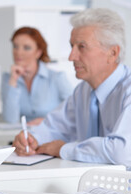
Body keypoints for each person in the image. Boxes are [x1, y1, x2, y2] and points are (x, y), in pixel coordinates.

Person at [13, 8, 131, 167]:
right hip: (90, 184)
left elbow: (121, 152)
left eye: (81, 47)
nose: (71, 57)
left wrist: (63, 149)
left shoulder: (127, 90)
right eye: (72, 46)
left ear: (112, 53)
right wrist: (32, 138)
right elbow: (54, 127)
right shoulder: (83, 91)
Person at [1, 27, 73, 126]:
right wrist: (13, 81)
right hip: (23, 137)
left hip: (52, 136)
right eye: (15, 46)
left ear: (38, 52)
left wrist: (48, 121)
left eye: (26, 48)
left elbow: (76, 114)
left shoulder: (57, 78)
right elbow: (10, 120)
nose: (18, 52)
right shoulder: (8, 79)